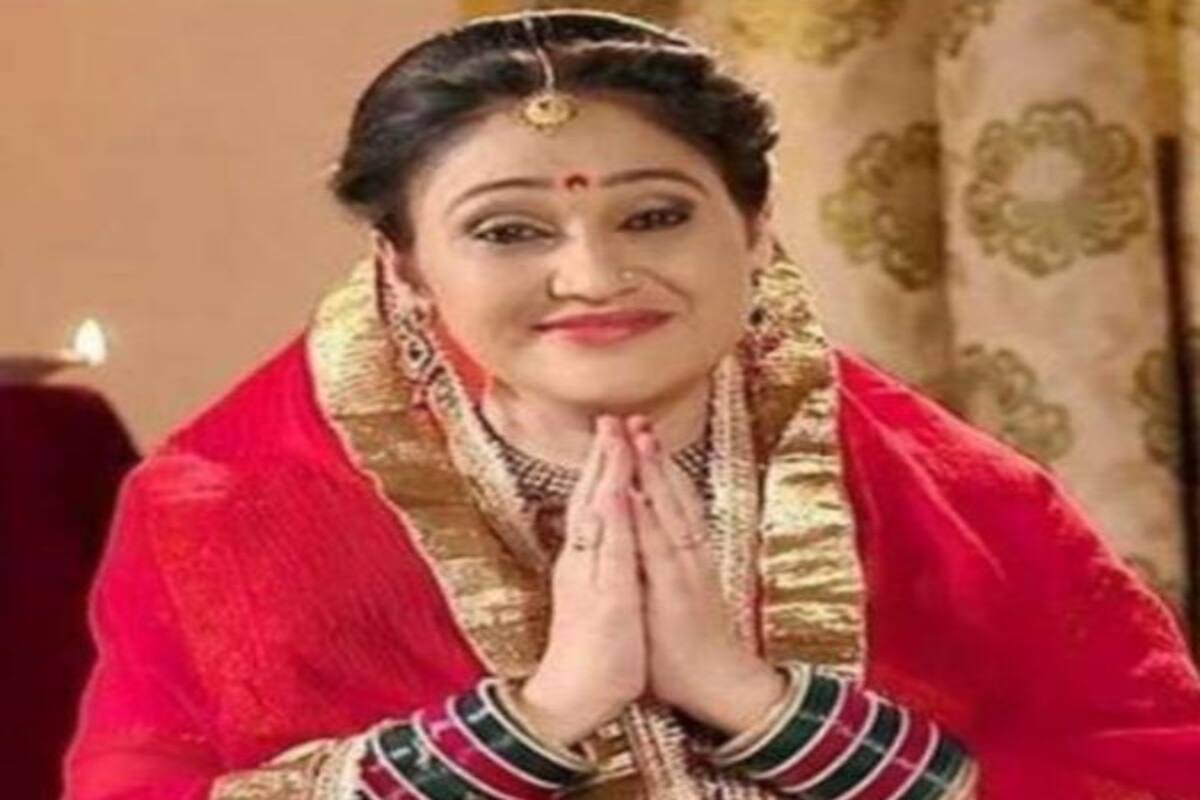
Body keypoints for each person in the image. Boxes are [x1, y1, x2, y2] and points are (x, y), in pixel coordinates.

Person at [64, 10, 1200, 800]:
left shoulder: (969, 507)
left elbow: (1148, 767)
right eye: (509, 230)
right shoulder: (224, 519)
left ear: (754, 227)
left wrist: (764, 705)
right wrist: (540, 716)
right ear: (403, 267)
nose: (595, 275)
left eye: (655, 216)